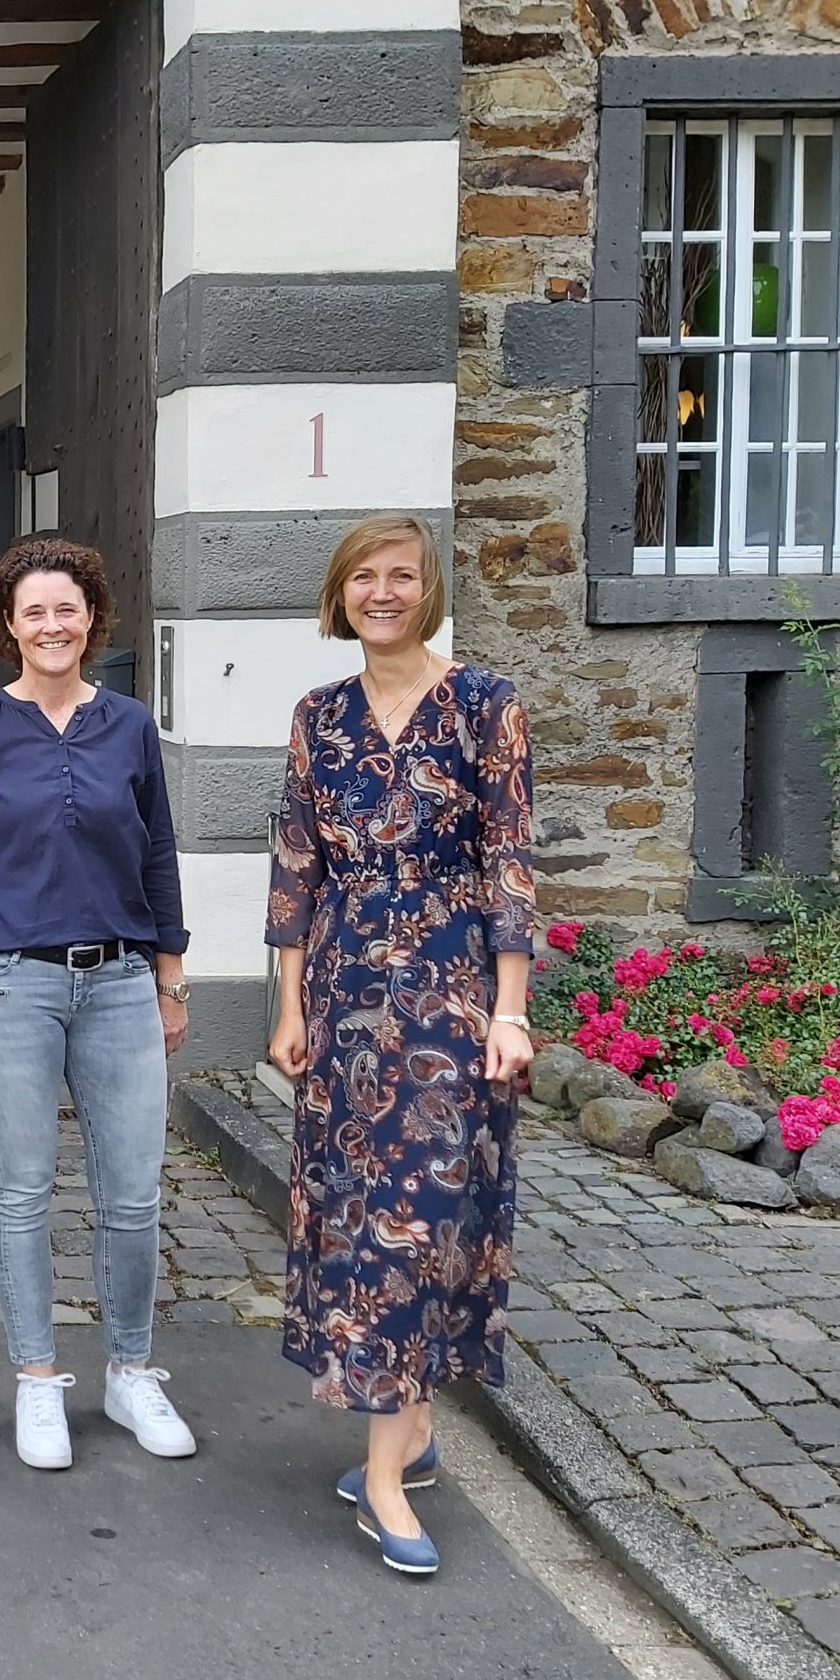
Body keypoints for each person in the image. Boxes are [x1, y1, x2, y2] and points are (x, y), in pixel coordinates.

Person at [266, 513, 535, 1577]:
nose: (382, 593)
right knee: (352, 1207)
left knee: (419, 1220)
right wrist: (289, 1006)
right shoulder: (318, 715)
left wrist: (509, 1011)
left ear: (429, 591)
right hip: (341, 995)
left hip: (449, 993)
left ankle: (383, 1478)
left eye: (402, 576)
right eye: (363, 578)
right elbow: (296, 867)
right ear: (339, 595)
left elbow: (510, 862)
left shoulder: (484, 705)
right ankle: (410, 1429)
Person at [0, 536, 196, 1472]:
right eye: (32, 611)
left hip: (119, 983)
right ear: (9, 623)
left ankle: (130, 1372)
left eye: (66, 609)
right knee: (23, 1189)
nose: (51, 626)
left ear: (92, 619)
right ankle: (38, 1378)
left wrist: (168, 975)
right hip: (8, 981)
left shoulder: (129, 726)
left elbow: (157, 850)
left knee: (133, 1192)